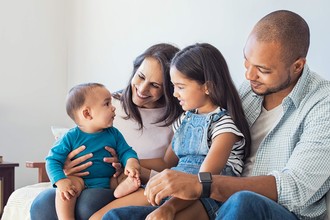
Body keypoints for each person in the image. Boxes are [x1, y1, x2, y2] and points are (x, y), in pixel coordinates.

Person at [103, 10, 330, 220]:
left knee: (243, 202)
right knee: (116, 217)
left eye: (263, 70)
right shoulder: (247, 93)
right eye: (246, 62)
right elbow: (197, 105)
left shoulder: (322, 104)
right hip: (218, 200)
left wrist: (203, 184)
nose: (249, 75)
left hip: (276, 210)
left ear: (298, 66)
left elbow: (294, 188)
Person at [91, 43, 251, 220]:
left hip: (205, 198)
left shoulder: (224, 127)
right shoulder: (185, 120)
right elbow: (167, 162)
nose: (174, 94)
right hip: (172, 186)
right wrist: (128, 161)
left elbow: (204, 182)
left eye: (180, 87)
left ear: (207, 87)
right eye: (173, 86)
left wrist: (169, 208)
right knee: (103, 217)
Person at [30, 43, 183, 220]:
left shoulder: (178, 120)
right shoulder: (107, 104)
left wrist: (128, 163)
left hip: (124, 181)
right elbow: (67, 148)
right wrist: (66, 168)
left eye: (155, 85)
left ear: (169, 88)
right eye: (140, 77)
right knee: (43, 203)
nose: (142, 89)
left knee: (88, 203)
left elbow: (169, 164)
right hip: (82, 178)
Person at [46, 83, 141, 219]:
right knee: (67, 190)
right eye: (107, 104)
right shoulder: (71, 137)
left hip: (110, 179)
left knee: (127, 178)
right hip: (81, 180)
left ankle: (121, 190)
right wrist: (61, 182)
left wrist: (131, 163)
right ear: (87, 113)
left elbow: (126, 151)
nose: (113, 107)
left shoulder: (113, 134)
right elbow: (52, 160)